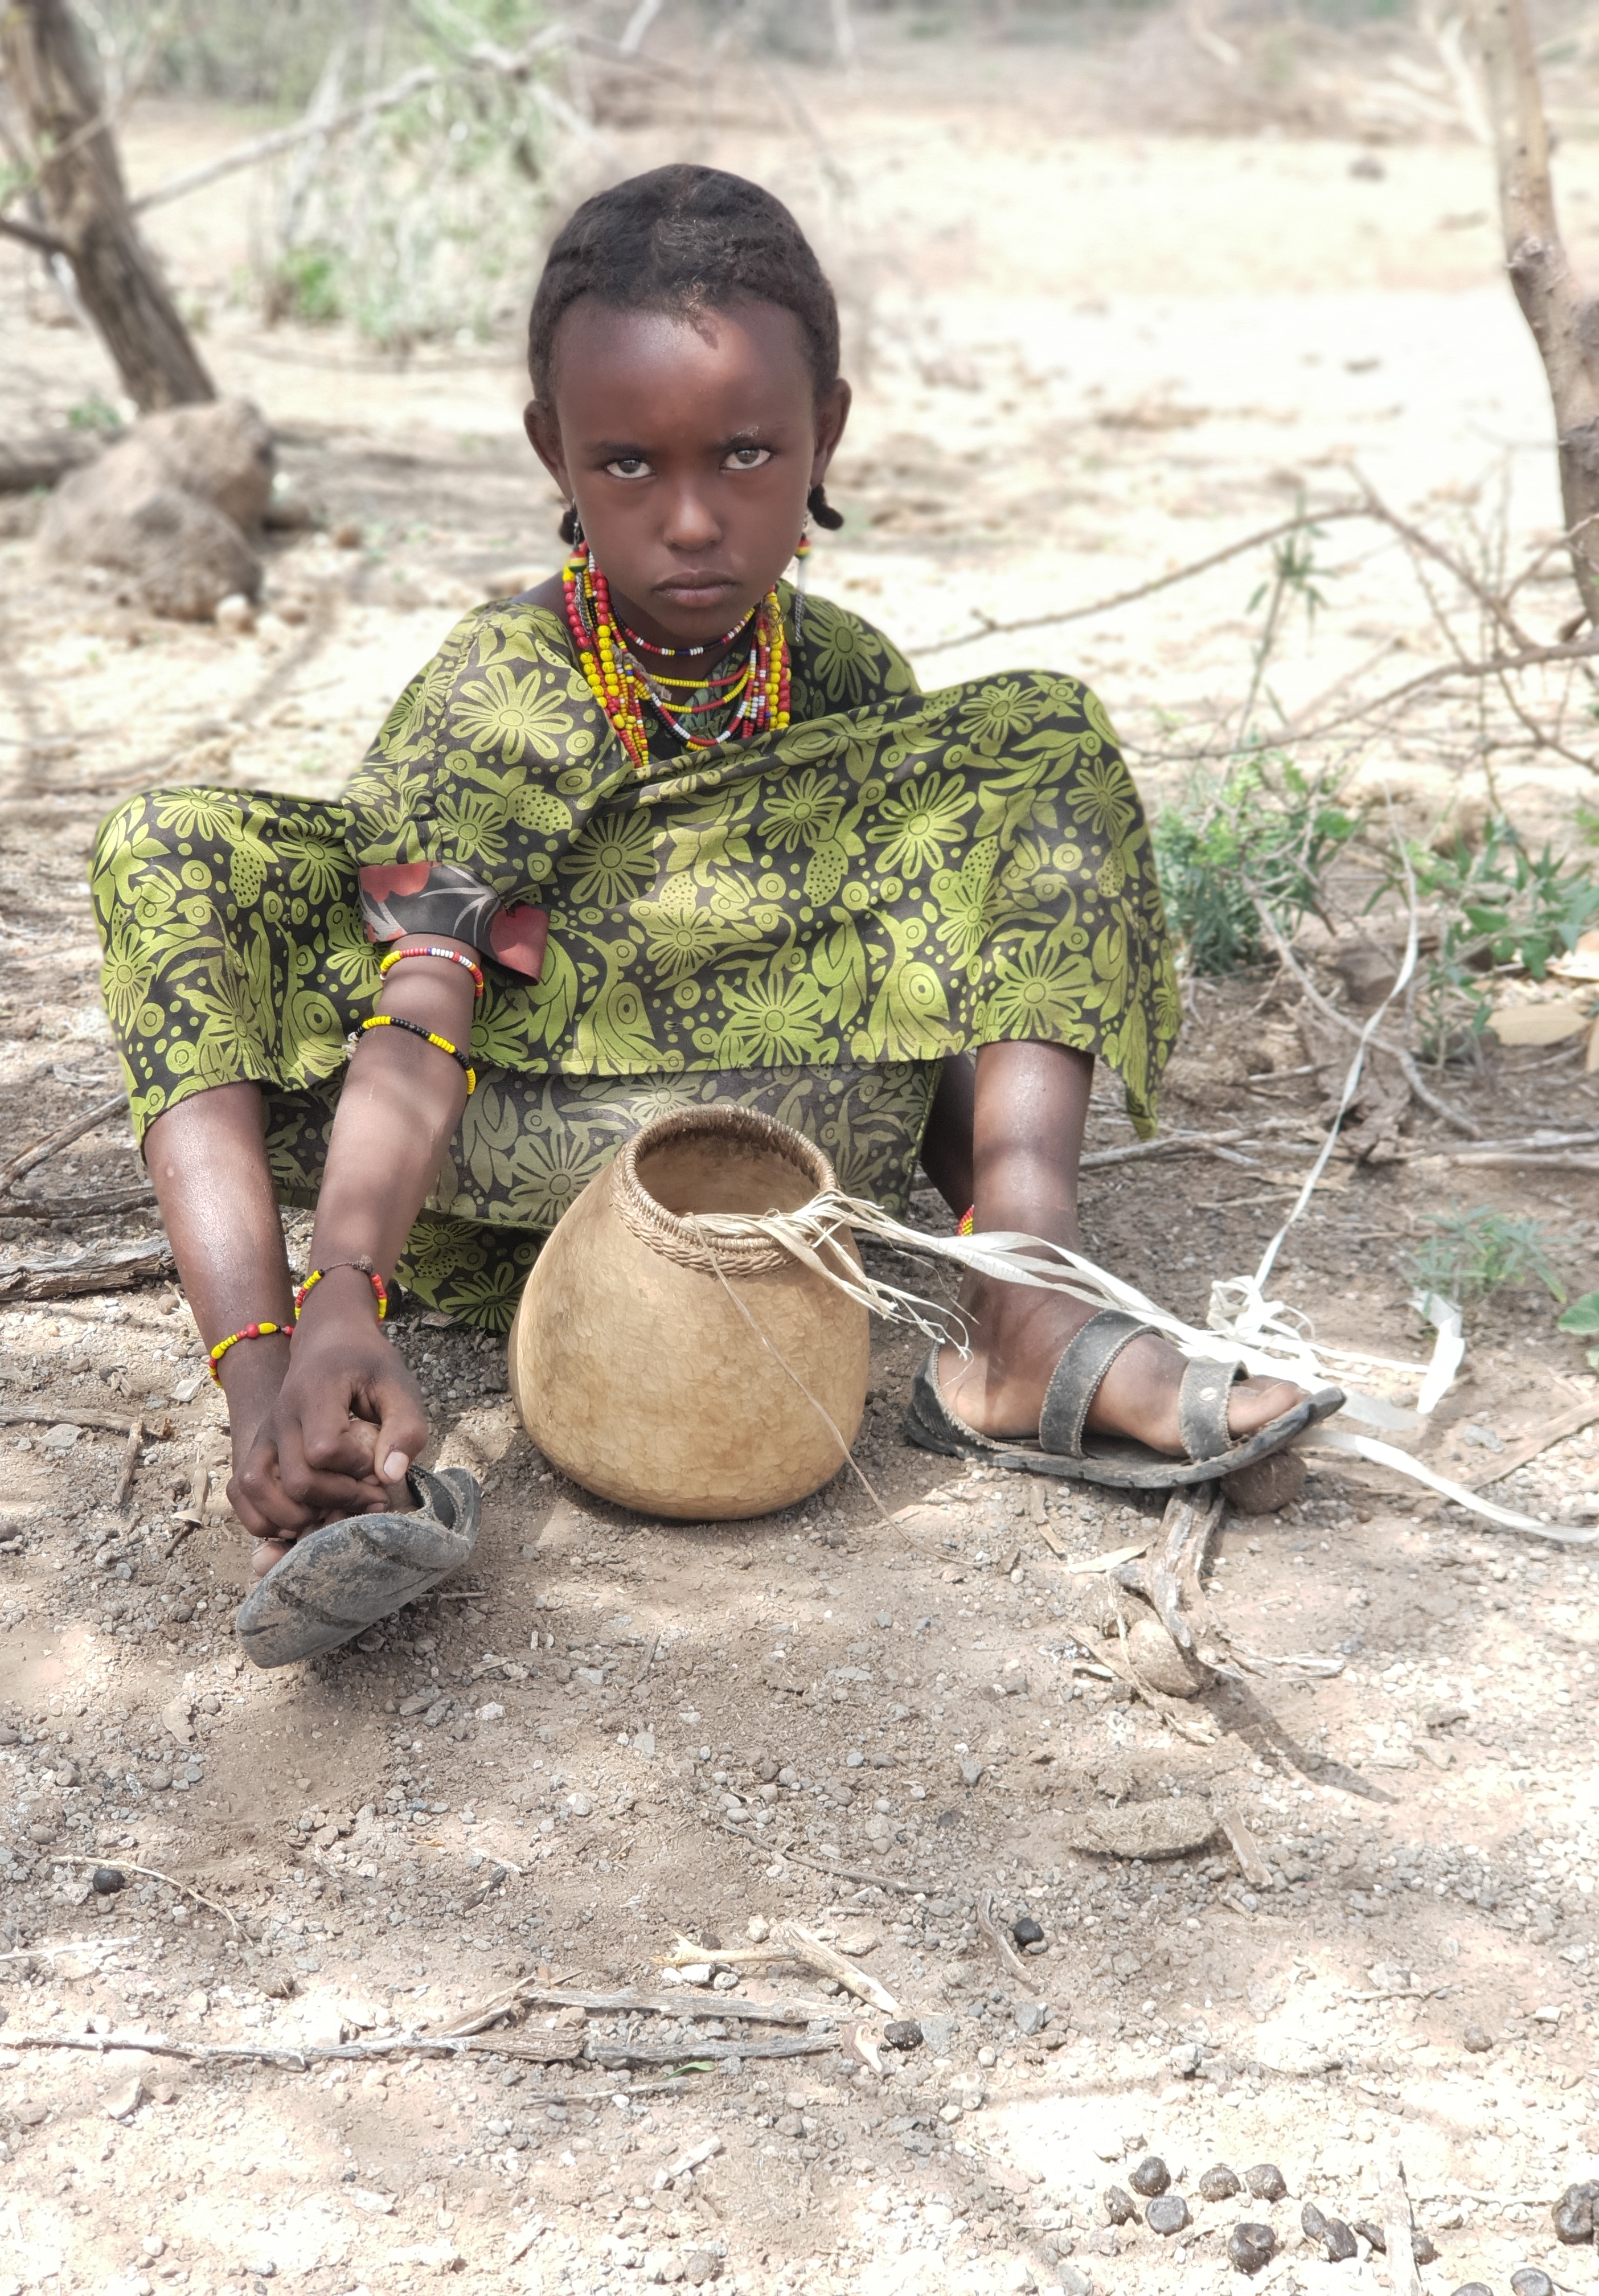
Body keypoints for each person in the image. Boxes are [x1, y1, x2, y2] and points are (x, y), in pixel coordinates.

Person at [91, 163, 1331, 1584]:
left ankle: (1026, 1319)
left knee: (1039, 733)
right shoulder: (507, 685)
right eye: (629, 464)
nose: (691, 518)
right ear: (556, 453)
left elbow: (936, 999)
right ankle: (284, 1410)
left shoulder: (855, 678)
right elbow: (425, 1003)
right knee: (172, 853)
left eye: (744, 454)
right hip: (511, 1143)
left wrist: (978, 1217)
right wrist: (345, 1294)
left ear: (827, 435)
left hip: (796, 1145)